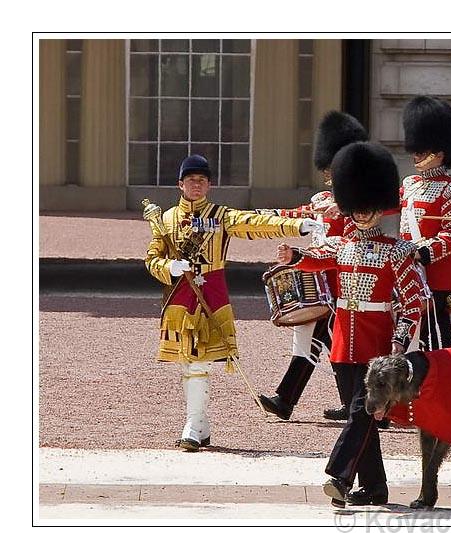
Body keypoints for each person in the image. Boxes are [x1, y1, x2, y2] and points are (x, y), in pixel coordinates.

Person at [275, 141, 423, 506]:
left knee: (362, 412)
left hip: (378, 347)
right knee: (365, 419)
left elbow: (413, 302)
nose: (361, 214)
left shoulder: (397, 250)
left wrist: (399, 346)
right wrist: (294, 256)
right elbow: (316, 257)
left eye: (367, 208)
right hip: (344, 344)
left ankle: (339, 477)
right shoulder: (342, 245)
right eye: (356, 207)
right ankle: (374, 488)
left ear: (379, 208)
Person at [144, 154, 320, 452]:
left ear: (209, 185)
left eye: (202, 180)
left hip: (211, 294)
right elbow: (152, 258)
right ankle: (199, 424)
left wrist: (295, 227)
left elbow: (255, 223)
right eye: (191, 180)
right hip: (180, 294)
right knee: (189, 360)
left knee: (200, 359)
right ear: (180, 184)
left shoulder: (221, 215)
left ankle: (194, 423)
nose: (196, 185)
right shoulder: (166, 219)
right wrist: (168, 268)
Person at [257, 111, 368, 422]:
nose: (329, 174)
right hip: (317, 282)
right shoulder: (322, 199)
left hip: (345, 285)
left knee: (337, 346)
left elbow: (346, 246)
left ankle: (359, 402)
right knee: (310, 338)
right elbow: (295, 214)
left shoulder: (357, 204)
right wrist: (259, 215)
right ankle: (288, 400)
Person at [400, 95, 451, 352]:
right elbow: (383, 205)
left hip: (436, 275)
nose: (416, 154)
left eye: (422, 149)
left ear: (439, 153)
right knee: (418, 335)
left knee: (436, 335)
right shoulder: (410, 184)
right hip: (409, 271)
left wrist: (423, 252)